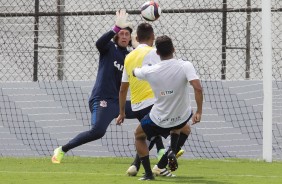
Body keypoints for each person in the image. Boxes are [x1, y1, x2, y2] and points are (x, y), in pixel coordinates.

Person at [51, 9, 136, 163]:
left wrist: (138, 47)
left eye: (127, 34)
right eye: (121, 33)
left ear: (130, 38)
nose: (124, 36)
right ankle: (62, 149)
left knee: (147, 111)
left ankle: (161, 152)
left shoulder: (130, 56)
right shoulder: (109, 48)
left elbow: (143, 65)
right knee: (97, 131)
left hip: (119, 102)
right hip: (102, 99)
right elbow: (99, 43)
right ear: (117, 36)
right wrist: (115, 27)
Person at [121, 35, 203, 180]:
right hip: (182, 117)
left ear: (157, 53)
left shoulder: (150, 71)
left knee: (139, 135)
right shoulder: (185, 65)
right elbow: (198, 88)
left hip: (159, 119)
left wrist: (137, 51)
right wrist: (199, 111)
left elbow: (134, 72)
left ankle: (148, 173)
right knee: (184, 127)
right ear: (174, 49)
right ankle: (169, 153)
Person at [116, 23, 182, 178]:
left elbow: (123, 88)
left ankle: (137, 165)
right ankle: (160, 165)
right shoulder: (154, 52)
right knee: (182, 127)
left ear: (136, 38)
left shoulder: (128, 57)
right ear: (153, 37)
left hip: (137, 106)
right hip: (153, 102)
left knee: (148, 134)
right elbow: (168, 71)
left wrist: (122, 112)